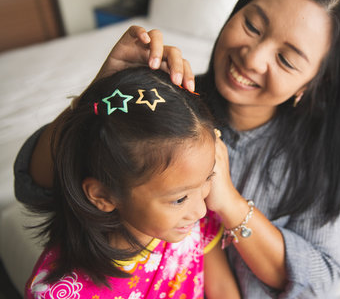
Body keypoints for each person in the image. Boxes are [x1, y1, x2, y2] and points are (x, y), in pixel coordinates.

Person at [15, 0, 340, 298]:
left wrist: (229, 203)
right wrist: (101, 89)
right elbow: (34, 187)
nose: (253, 58)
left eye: (286, 60)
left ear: (317, 82)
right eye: (253, 27)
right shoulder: (166, 102)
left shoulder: (319, 155)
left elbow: (318, 284)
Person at [22, 67, 240, 299]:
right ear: (103, 196)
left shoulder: (190, 223)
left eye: (208, 178)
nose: (201, 209)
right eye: (179, 199)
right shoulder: (63, 293)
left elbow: (223, 290)